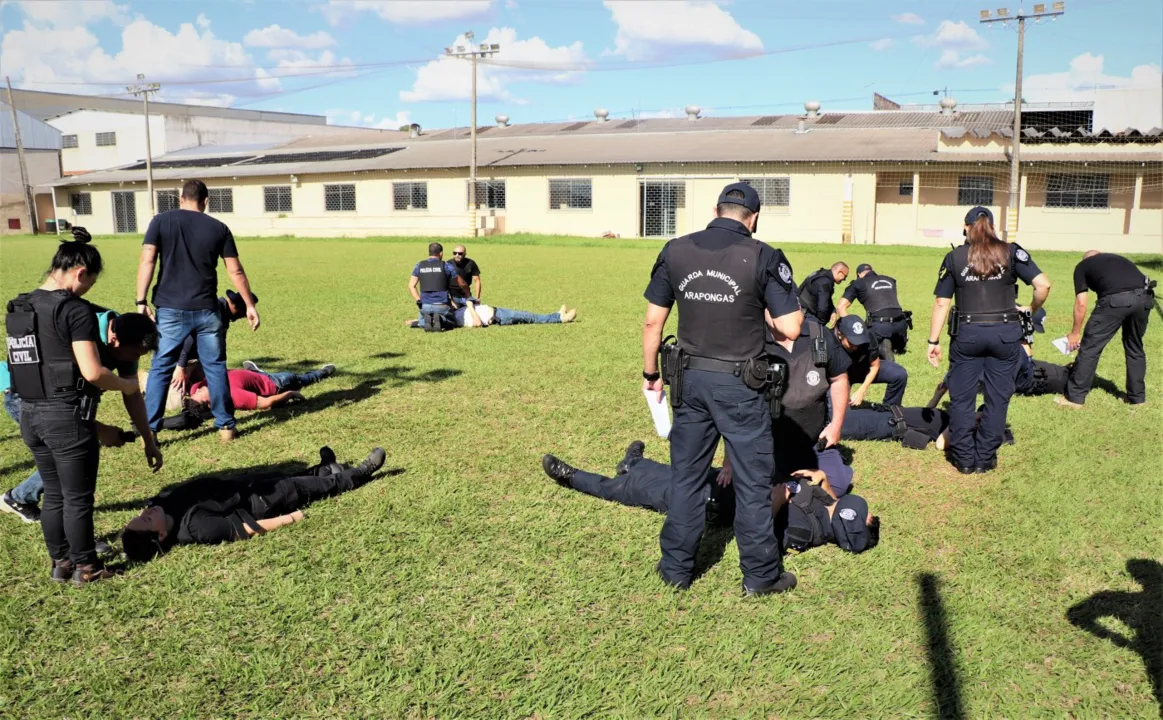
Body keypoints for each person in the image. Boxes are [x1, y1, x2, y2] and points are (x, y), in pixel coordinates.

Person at [642, 181, 802, 595]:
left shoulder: (675, 250)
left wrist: (649, 374)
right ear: (754, 218)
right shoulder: (764, 256)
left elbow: (652, 323)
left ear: (716, 210)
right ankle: (760, 577)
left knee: (687, 477)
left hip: (689, 380)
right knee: (752, 483)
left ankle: (676, 569)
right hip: (741, 385)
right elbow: (791, 327)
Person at [5, 233, 163, 586]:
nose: (88, 290)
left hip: (30, 412)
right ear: (79, 272)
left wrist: (146, 437)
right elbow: (93, 372)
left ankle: (61, 563)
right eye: (90, 281)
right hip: (65, 414)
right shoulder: (75, 311)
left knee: (55, 493)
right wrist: (126, 383)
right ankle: (87, 568)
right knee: (78, 498)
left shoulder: (20, 306)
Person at [541, 446, 875, 555]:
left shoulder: (807, 531)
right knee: (684, 470)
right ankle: (634, 464)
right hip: (736, 483)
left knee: (633, 492)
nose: (869, 511)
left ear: (849, 520)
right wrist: (825, 483)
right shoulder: (828, 507)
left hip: (715, 502)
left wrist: (785, 489)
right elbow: (823, 500)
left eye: (868, 517)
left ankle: (573, 478)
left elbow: (764, 527)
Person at [2, 308, 161, 524]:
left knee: (76, 454)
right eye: (134, 355)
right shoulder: (81, 331)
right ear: (114, 340)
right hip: (31, 398)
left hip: (69, 402)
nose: (134, 360)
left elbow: (131, 394)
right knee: (72, 455)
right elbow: (58, 407)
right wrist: (99, 429)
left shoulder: (126, 338)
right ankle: (68, 533)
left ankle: (20, 498)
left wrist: (147, 439)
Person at [927, 206, 1051, 473]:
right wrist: (1032, 309)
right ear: (992, 227)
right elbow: (1044, 285)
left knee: (962, 398)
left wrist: (933, 341)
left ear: (966, 226)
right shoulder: (1011, 251)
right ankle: (985, 458)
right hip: (1005, 334)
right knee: (998, 397)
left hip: (967, 335)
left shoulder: (955, 257)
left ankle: (964, 460)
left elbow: (941, 302)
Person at [137, 179, 260, 443]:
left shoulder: (160, 222)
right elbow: (235, 270)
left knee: (160, 367)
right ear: (205, 202)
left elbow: (148, 259)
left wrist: (141, 300)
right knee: (215, 367)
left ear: (181, 199)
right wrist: (249, 305)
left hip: (169, 308)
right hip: (207, 309)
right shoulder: (219, 228)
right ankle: (226, 427)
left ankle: (151, 431)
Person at [120, 446, 386, 561]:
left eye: (141, 514)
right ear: (162, 534)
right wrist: (290, 518)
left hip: (244, 485)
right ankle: (357, 474)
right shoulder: (198, 528)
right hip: (266, 500)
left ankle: (327, 468)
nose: (147, 512)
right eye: (146, 520)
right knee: (304, 486)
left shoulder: (163, 506)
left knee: (290, 475)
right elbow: (244, 528)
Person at [1058, 250, 1154, 408]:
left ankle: (1074, 398)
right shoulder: (1119, 258)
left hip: (1116, 300)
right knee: (1135, 347)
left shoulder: (1082, 266)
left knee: (1090, 348)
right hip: (1145, 298)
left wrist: (1075, 333)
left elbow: (1081, 303)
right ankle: (1137, 399)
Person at [762, 315, 851, 480]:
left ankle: (796, 488)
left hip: (816, 441)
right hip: (771, 443)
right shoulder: (754, 339)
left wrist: (835, 426)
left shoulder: (819, 334)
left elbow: (840, 379)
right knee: (761, 487)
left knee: (838, 483)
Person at [170, 290, 258, 396]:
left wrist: (221, 370)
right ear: (236, 306)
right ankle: (149, 378)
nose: (244, 316)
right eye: (244, 312)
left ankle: (255, 375)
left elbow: (220, 346)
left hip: (198, 361)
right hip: (180, 359)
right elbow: (189, 338)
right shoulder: (213, 311)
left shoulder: (225, 314)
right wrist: (181, 367)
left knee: (216, 386)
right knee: (176, 399)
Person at [187, 365, 336, 413]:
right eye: (201, 394)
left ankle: (254, 371)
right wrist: (289, 394)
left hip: (257, 377)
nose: (199, 389)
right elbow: (266, 403)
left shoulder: (197, 388)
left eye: (197, 392)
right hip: (275, 383)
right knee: (300, 379)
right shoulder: (235, 396)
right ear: (210, 404)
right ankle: (320, 373)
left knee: (257, 375)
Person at [837, 263, 910, 360]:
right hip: (901, 325)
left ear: (859, 275)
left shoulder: (859, 283)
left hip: (880, 326)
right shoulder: (890, 280)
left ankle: (882, 347)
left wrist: (851, 331)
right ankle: (894, 344)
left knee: (862, 346)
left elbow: (841, 307)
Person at [834, 315, 908, 407]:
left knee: (899, 374)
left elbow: (875, 365)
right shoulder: (830, 341)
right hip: (839, 374)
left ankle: (890, 411)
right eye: (851, 343)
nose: (855, 346)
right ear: (840, 335)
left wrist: (862, 390)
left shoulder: (868, 336)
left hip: (862, 368)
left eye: (859, 342)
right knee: (840, 409)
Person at [408, 242, 471, 331]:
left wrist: (418, 300)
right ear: (441, 253)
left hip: (425, 306)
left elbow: (411, 285)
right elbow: (462, 283)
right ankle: (441, 319)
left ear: (429, 252)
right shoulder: (446, 265)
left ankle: (428, 320)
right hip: (442, 306)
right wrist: (468, 294)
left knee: (422, 321)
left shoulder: (419, 265)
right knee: (453, 322)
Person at [406, 303, 576, 329]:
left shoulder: (455, 313)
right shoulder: (459, 320)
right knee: (529, 316)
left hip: (496, 310)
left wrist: (414, 322)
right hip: (498, 316)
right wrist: (471, 307)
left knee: (527, 315)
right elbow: (478, 324)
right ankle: (560, 318)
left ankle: (557, 315)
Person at [798, 262, 849, 326]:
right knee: (816, 335)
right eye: (845, 276)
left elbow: (827, 299)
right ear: (840, 272)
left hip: (797, 309)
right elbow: (823, 307)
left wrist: (833, 311)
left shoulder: (820, 274)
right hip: (806, 315)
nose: (844, 279)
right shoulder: (825, 283)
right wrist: (820, 324)